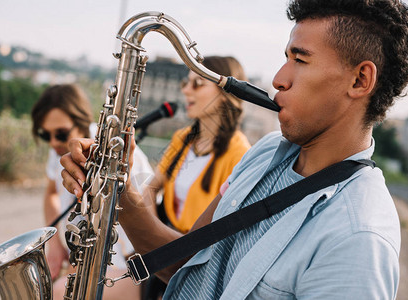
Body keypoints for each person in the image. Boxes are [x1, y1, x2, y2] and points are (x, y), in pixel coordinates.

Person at [60, 0, 408, 299]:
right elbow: (189, 266)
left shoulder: (359, 238)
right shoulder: (266, 151)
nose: (278, 79)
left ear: (360, 80)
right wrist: (119, 195)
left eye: (300, 61)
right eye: (286, 57)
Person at [31, 84, 153, 300]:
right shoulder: (59, 149)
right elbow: (51, 192)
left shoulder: (113, 150)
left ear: (81, 122)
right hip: (80, 258)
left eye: (60, 133)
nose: (53, 142)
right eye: (45, 134)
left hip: (126, 262)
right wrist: (55, 245)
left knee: (56, 294)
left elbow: (150, 211)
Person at [145, 56, 251, 234]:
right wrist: (155, 236)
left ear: (226, 93)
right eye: (186, 83)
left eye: (198, 83)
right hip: (165, 247)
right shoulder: (182, 138)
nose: (186, 90)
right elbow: (149, 189)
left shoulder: (240, 154)